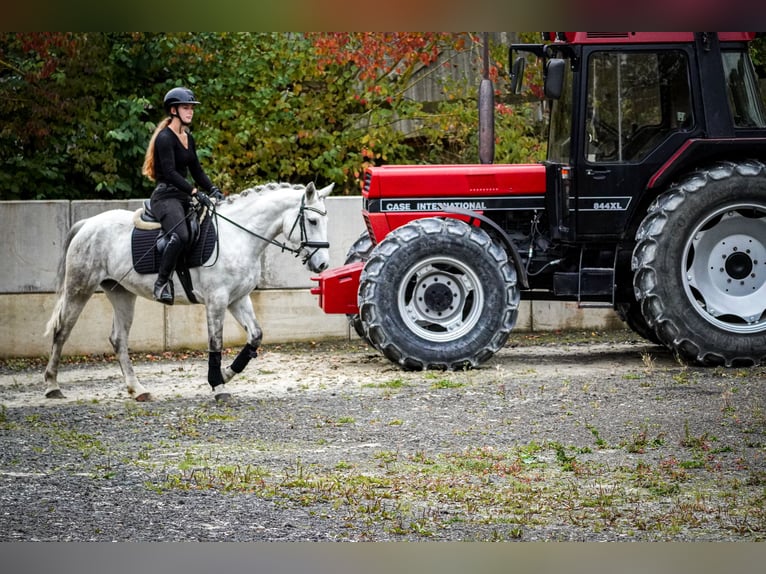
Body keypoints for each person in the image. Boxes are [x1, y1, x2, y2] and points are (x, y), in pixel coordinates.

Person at [141, 87, 224, 305]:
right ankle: (161, 282)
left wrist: (213, 188)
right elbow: (169, 172)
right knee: (182, 235)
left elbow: (196, 170)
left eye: (192, 108)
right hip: (165, 198)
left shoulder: (188, 137)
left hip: (183, 197)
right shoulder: (164, 138)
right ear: (173, 110)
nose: (191, 112)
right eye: (186, 108)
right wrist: (195, 192)